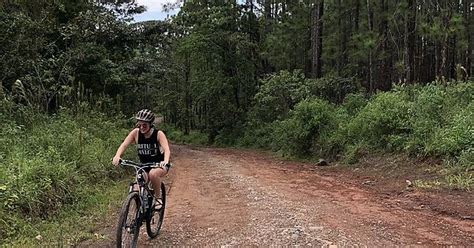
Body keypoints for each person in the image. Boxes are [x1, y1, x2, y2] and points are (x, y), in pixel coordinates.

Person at [112, 109, 170, 207]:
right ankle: (140, 211)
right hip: (144, 166)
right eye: (140, 124)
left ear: (150, 124)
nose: (142, 127)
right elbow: (124, 145)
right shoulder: (136, 133)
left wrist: (165, 161)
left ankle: (158, 198)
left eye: (145, 125)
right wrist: (117, 156)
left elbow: (167, 149)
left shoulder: (158, 134)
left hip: (159, 165)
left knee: (153, 174)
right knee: (137, 185)